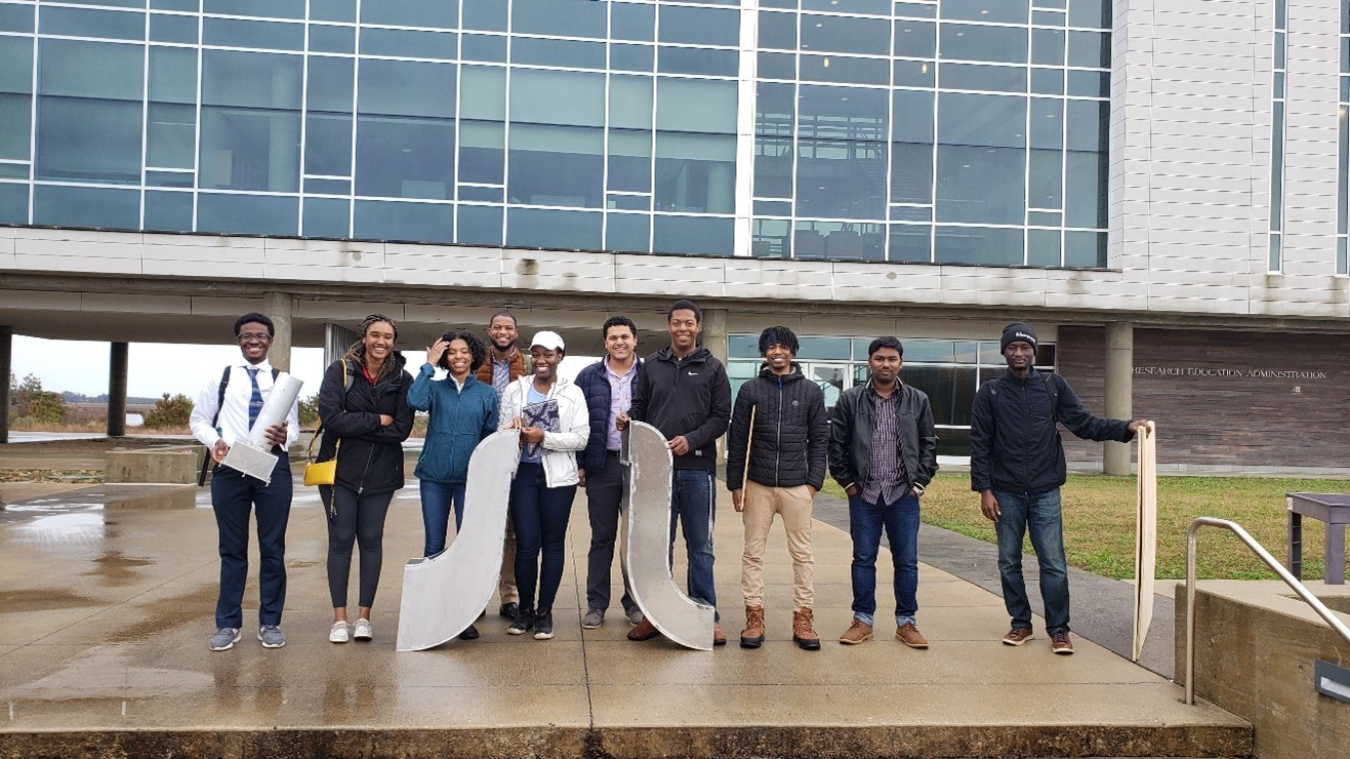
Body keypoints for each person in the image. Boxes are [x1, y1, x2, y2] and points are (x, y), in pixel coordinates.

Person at [970, 322, 1147, 655]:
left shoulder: (1053, 386)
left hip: (1044, 491)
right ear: (1004, 351)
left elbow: (1083, 423)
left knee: (1053, 562)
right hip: (1005, 491)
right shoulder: (990, 392)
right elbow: (980, 444)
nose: (1018, 353)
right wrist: (984, 489)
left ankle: (1059, 629)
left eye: (1025, 348)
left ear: (1035, 351)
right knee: (1009, 561)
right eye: (1012, 348)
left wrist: (1124, 427)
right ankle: (1020, 623)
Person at [620, 299, 732, 646]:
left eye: (689, 323)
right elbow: (640, 406)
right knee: (657, 547)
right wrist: (629, 419)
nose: (682, 329)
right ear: (668, 326)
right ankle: (655, 614)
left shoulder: (712, 367)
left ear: (698, 327)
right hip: (657, 472)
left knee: (701, 547)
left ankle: (705, 615)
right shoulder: (652, 365)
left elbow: (720, 416)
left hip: (698, 471)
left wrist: (692, 439)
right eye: (676, 323)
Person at [189, 312, 300, 651]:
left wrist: (285, 435)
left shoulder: (283, 381)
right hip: (231, 468)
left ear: (270, 341)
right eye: (247, 335)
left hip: (272, 467)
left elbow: (293, 429)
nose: (254, 340)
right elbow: (199, 420)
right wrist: (214, 442)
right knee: (232, 549)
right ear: (238, 340)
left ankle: (270, 622)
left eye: (261, 335)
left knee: (272, 547)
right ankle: (228, 624)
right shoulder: (222, 379)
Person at [829, 336, 938, 649]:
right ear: (870, 362)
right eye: (880, 358)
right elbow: (836, 445)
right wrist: (848, 484)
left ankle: (907, 623)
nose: (886, 364)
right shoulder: (851, 400)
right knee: (863, 559)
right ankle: (862, 620)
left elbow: (929, 443)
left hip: (903, 495)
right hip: (864, 495)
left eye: (892, 359)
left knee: (907, 562)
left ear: (900, 363)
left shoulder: (918, 400)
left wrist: (919, 483)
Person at [726, 326, 828, 651]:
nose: (777, 352)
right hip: (757, 484)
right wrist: (735, 484)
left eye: (783, 347)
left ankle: (803, 618)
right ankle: (754, 617)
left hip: (797, 486)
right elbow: (738, 439)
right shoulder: (750, 390)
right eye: (771, 347)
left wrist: (813, 484)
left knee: (802, 554)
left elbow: (819, 440)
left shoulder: (811, 391)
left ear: (792, 352)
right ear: (764, 353)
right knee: (753, 553)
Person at [316, 315, 414, 644]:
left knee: (371, 542)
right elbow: (331, 420)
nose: (381, 342)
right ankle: (339, 619)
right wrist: (377, 419)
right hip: (338, 472)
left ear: (394, 341)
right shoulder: (340, 371)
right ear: (364, 336)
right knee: (341, 542)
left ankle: (363, 618)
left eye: (387, 336)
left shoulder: (403, 378)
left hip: (382, 474)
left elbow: (400, 430)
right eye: (375, 335)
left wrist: (355, 421)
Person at [407, 328, 499, 640]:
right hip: (433, 477)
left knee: (465, 546)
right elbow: (414, 400)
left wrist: (486, 476)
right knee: (434, 545)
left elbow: (490, 438)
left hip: (468, 482)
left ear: (474, 355)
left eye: (464, 351)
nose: (458, 357)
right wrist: (428, 363)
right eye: (452, 352)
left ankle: (463, 613)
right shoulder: (434, 389)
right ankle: (434, 608)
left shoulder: (487, 395)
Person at [500, 331, 589, 641]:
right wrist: (512, 429)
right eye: (536, 354)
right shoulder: (515, 390)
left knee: (552, 545)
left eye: (548, 354)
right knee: (526, 546)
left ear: (560, 357)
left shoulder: (573, 393)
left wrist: (545, 438)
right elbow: (501, 431)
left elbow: (581, 438)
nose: (541, 360)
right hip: (523, 474)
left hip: (559, 478)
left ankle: (545, 612)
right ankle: (524, 609)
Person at [574, 316, 645, 629]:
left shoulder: (650, 374)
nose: (619, 342)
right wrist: (580, 463)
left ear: (635, 341)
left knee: (635, 539)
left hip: (640, 467)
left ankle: (635, 603)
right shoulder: (588, 377)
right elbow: (575, 420)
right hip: (602, 465)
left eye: (625, 337)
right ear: (605, 342)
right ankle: (596, 604)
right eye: (613, 337)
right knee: (601, 538)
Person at [477, 310, 526, 621]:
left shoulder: (530, 365)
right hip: (481, 455)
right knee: (480, 531)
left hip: (515, 458)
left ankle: (509, 597)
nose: (503, 331)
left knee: (511, 534)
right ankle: (476, 594)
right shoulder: (473, 363)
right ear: (489, 330)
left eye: (508, 327)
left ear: (516, 332)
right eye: (498, 327)